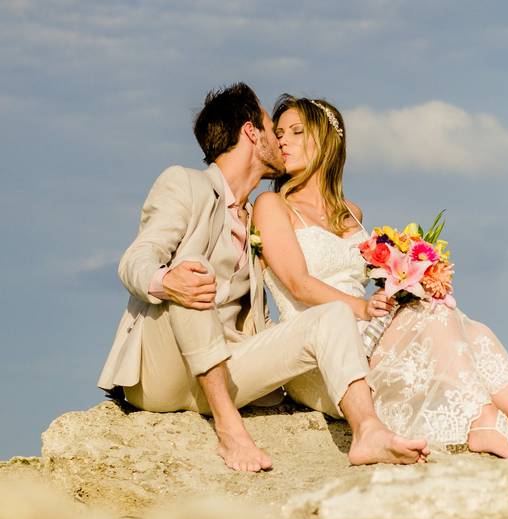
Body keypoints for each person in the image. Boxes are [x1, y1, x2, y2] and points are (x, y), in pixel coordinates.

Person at [98, 83, 429, 472]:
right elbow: (135, 259)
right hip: (164, 372)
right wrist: (166, 280)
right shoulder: (185, 183)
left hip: (229, 369)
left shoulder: (259, 215)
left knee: (331, 316)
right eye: (273, 129)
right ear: (252, 133)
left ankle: (368, 431)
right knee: (191, 269)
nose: (280, 139)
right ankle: (230, 431)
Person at [254, 94, 508, 458]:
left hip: (365, 326)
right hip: (321, 346)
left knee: (464, 323)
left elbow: (373, 278)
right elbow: (297, 283)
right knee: (437, 315)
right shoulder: (273, 205)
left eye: (296, 131)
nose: (282, 140)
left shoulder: (350, 213)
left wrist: (409, 283)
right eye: (279, 133)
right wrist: (361, 307)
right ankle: (482, 423)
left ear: (326, 141)